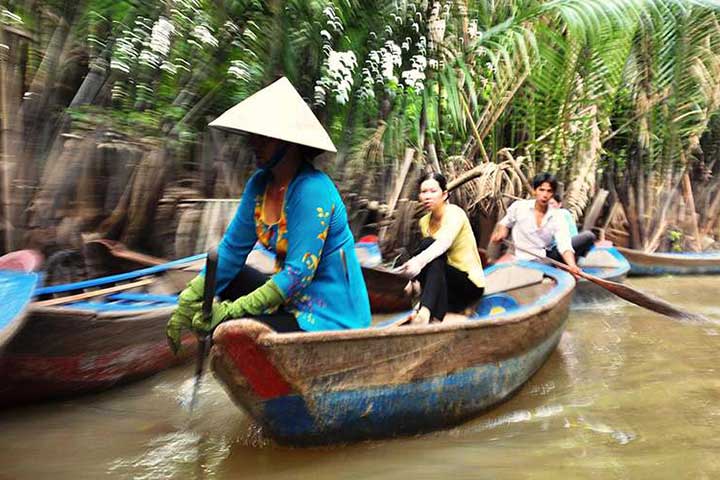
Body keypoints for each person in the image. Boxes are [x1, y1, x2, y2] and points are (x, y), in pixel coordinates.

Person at [166, 77, 371, 353]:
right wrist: (190, 299)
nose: (254, 143)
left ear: (290, 143)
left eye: (265, 137)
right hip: (290, 302)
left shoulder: (312, 190)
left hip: (330, 315)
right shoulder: (259, 185)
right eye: (254, 135)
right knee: (230, 278)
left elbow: (298, 275)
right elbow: (230, 252)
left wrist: (230, 312)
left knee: (232, 328)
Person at [395, 173, 485, 324]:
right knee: (430, 253)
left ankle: (425, 310)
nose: (427, 196)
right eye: (424, 192)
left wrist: (416, 264)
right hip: (444, 289)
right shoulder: (424, 222)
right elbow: (434, 263)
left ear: (444, 195)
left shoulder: (455, 213)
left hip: (468, 285)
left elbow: (443, 244)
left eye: (433, 191)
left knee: (428, 246)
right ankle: (429, 311)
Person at [490, 172, 595, 274]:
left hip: (544, 260)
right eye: (541, 190)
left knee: (585, 239)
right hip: (521, 259)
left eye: (549, 191)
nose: (545, 195)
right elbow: (505, 223)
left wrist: (572, 266)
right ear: (535, 191)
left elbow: (564, 245)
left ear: (553, 193)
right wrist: (502, 233)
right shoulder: (519, 207)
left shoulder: (558, 216)